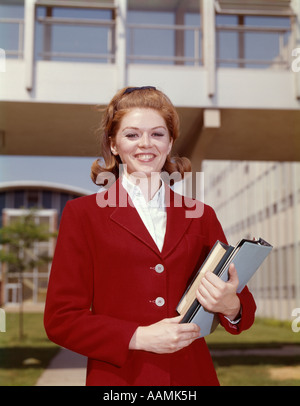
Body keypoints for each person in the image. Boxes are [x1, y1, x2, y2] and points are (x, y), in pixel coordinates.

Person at [44, 86, 256, 386]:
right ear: (113, 144)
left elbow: (243, 309)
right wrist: (138, 337)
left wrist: (230, 305)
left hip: (192, 376)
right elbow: (60, 320)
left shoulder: (201, 214)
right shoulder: (83, 215)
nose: (146, 144)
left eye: (157, 134)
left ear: (170, 143)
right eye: (132, 135)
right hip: (119, 380)